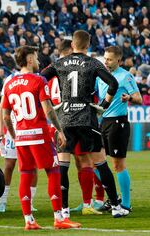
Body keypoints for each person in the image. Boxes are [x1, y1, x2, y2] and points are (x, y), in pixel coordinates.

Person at [41, 30, 129, 218]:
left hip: (64, 120)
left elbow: (40, 80)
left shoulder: (60, 63)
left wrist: (51, 104)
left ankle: (63, 210)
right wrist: (103, 106)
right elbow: (112, 84)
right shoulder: (92, 63)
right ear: (88, 46)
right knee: (101, 162)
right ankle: (115, 206)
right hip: (87, 118)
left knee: (63, 165)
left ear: (72, 44)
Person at [2, 45, 80, 230]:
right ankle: (59, 218)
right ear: (29, 59)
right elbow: (48, 109)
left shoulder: (9, 83)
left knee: (26, 175)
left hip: (21, 138)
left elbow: (6, 116)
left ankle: (29, 220)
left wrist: (14, 136)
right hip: (39, 135)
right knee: (53, 172)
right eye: (36, 57)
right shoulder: (39, 80)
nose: (38, 61)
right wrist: (59, 130)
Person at [47, 39, 102, 215]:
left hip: (58, 122)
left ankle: (63, 207)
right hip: (78, 118)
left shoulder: (53, 69)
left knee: (61, 164)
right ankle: (88, 203)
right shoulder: (80, 67)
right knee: (85, 161)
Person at [97, 46, 143, 211]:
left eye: (109, 59)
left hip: (118, 122)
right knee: (96, 162)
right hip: (102, 122)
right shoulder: (101, 75)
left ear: (119, 60)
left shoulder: (125, 76)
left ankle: (126, 204)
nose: (106, 62)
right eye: (105, 58)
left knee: (118, 165)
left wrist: (129, 97)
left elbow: (139, 99)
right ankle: (113, 198)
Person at [0, 70, 38, 214]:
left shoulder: (38, 77)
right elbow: (2, 106)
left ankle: (30, 202)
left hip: (32, 127)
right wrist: (0, 128)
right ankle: (2, 201)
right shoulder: (11, 78)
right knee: (9, 164)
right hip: (13, 126)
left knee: (32, 165)